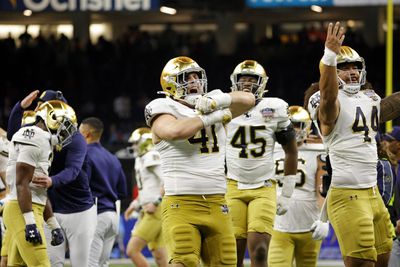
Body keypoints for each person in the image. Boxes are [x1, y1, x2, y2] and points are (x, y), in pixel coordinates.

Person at [144, 56, 255, 267]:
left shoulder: (211, 103)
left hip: (217, 202)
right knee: (184, 262)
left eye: (196, 76)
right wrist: (212, 117)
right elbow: (175, 131)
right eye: (187, 77)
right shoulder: (162, 107)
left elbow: (249, 100)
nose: (194, 81)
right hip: (180, 203)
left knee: (226, 263)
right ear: (171, 82)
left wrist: (217, 102)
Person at [307, 22, 393, 266]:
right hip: (348, 194)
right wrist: (330, 56)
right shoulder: (324, 100)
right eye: (345, 68)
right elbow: (329, 98)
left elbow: (387, 106)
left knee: (383, 260)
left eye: (356, 66)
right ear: (334, 70)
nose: (353, 72)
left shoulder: (367, 97)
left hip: (373, 192)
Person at [8, 90, 96, 267]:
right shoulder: (34, 134)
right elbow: (13, 136)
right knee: (47, 263)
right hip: (41, 204)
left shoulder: (74, 138)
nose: (38, 107)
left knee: (80, 264)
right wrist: (19, 108)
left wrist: (52, 181)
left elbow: (73, 170)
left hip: (75, 207)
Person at [224, 59, 298, 267]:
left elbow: (291, 151)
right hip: (232, 185)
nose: (247, 83)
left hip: (263, 186)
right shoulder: (224, 108)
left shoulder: (274, 108)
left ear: (262, 83)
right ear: (234, 83)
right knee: (232, 255)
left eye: (252, 79)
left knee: (259, 251)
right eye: (243, 79)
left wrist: (287, 193)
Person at [3, 100, 77, 267]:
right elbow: (22, 183)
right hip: (20, 209)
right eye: (64, 125)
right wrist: (30, 223)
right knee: (41, 264)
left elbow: (38, 191)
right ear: (51, 119)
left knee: (17, 265)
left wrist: (53, 223)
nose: (66, 132)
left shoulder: (44, 141)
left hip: (30, 207)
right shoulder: (34, 136)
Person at [268, 105, 328, 267]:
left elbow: (321, 190)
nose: (295, 130)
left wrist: (323, 219)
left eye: (299, 125)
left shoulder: (318, 150)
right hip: (278, 223)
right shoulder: (270, 148)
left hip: (309, 223)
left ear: (308, 127)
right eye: (291, 125)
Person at [78, 117, 128, 267]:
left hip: (96, 214)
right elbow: (122, 192)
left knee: (89, 264)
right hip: (113, 216)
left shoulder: (84, 154)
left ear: (86, 134)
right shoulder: (113, 158)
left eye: (79, 132)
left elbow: (81, 186)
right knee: (102, 264)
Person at [124, 127, 167, 267]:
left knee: (132, 250)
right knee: (160, 257)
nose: (133, 146)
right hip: (150, 207)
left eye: (135, 143)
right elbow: (146, 189)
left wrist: (156, 202)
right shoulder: (141, 159)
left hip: (155, 209)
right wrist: (134, 205)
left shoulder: (151, 156)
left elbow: (167, 182)